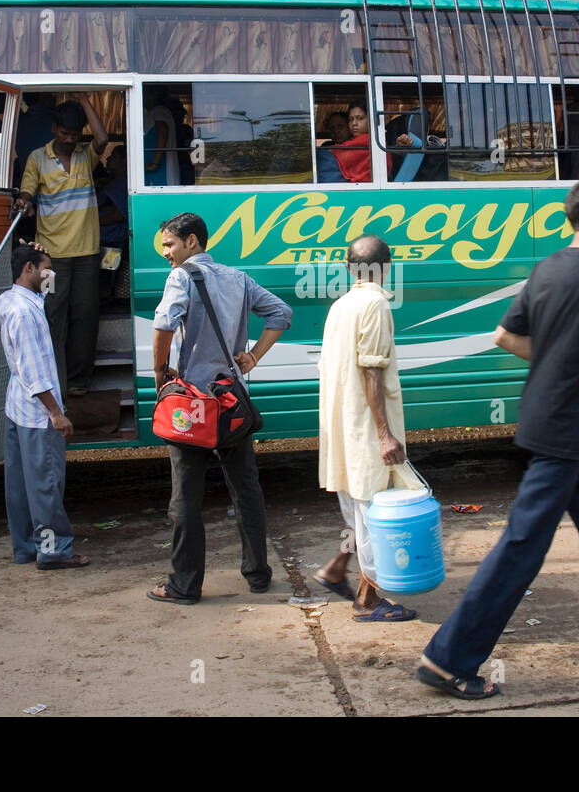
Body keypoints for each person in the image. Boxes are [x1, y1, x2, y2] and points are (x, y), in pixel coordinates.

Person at [417, 176, 579, 700]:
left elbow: (504, 335)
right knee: (522, 545)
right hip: (565, 428)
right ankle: (448, 659)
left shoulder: (546, 267)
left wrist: (562, 363)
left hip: (553, 422)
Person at [148, 213, 292, 605]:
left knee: (186, 496)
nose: (166, 254)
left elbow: (163, 325)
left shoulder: (181, 277)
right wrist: (252, 357)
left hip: (190, 405)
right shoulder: (237, 278)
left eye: (170, 245)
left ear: (192, 242)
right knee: (245, 488)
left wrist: (160, 372)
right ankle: (258, 575)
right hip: (230, 402)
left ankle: (184, 586)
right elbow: (281, 314)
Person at [313, 236, 418, 622]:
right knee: (375, 515)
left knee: (358, 512)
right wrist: (385, 434)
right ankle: (369, 600)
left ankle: (336, 569)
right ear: (386, 266)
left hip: (342, 432)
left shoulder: (341, 305)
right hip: (365, 433)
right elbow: (371, 370)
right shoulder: (375, 303)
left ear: (349, 268)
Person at [0, 243, 89, 569]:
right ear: (28, 270)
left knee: (21, 487)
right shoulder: (24, 313)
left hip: (17, 407)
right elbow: (33, 369)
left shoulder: (13, 299)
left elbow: (41, 294)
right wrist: (56, 412)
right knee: (46, 486)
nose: (51, 274)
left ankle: (26, 549)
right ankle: (53, 552)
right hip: (38, 414)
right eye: (46, 268)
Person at [15, 96, 109, 397]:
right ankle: (55, 381)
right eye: (64, 133)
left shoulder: (85, 155)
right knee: (53, 316)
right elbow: (28, 190)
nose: (69, 140)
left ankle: (79, 382)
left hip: (87, 253)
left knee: (85, 316)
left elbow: (104, 137)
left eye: (74, 134)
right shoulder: (37, 158)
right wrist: (24, 201)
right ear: (54, 129)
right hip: (50, 258)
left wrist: (83, 97)